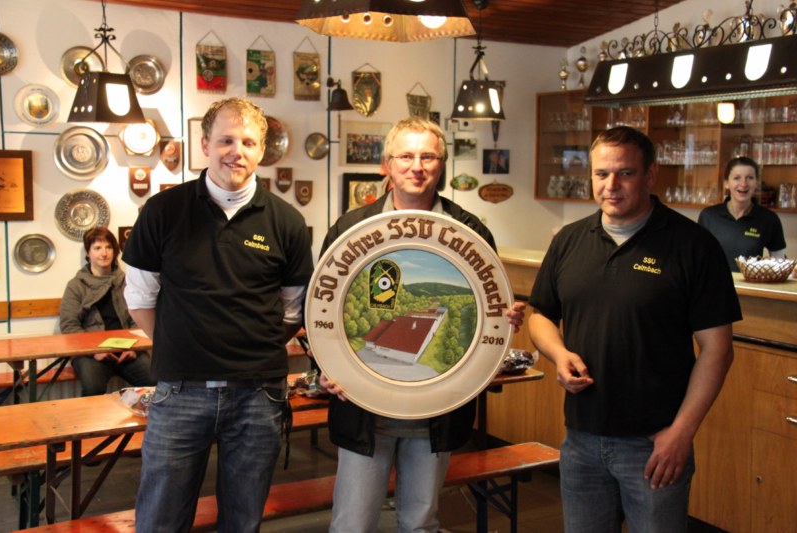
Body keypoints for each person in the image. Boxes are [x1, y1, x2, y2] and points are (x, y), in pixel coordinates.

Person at [528, 126, 742, 533]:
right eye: (601, 173)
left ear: (650, 174)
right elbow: (540, 315)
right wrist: (558, 354)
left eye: (625, 173)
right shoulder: (569, 240)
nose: (611, 185)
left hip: (655, 445)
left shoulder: (693, 246)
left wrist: (681, 433)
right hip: (581, 440)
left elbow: (718, 350)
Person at [319, 116, 525, 533]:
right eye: (406, 156)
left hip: (437, 412)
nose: (417, 166)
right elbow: (322, 309)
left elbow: (490, 308)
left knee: (420, 523)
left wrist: (505, 320)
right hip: (363, 408)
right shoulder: (349, 228)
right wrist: (326, 366)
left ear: (442, 164)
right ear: (387, 165)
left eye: (428, 156)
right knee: (352, 524)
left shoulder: (470, 230)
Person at [122, 97, 314, 533]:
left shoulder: (287, 222)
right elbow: (140, 299)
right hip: (180, 392)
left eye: (248, 142)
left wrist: (250, 349)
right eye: (226, 140)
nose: (236, 152)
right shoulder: (163, 211)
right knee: (160, 522)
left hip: (258, 395)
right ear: (205, 144)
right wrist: (179, 344)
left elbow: (291, 310)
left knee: (243, 522)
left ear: (261, 150)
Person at [59, 226, 154, 396]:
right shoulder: (76, 285)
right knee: (93, 388)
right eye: (97, 248)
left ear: (115, 251)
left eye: (108, 247)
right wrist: (94, 351)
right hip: (90, 353)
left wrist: (135, 348)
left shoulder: (126, 281)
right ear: (88, 253)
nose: (104, 253)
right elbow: (69, 326)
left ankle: (144, 414)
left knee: (155, 381)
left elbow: (138, 318)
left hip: (127, 350)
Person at [698, 156, 786, 271]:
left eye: (750, 178)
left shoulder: (769, 219)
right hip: (715, 282)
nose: (743, 184)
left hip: (750, 283)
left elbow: (779, 263)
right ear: (726, 183)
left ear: (756, 183)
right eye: (737, 178)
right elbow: (697, 257)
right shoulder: (708, 216)